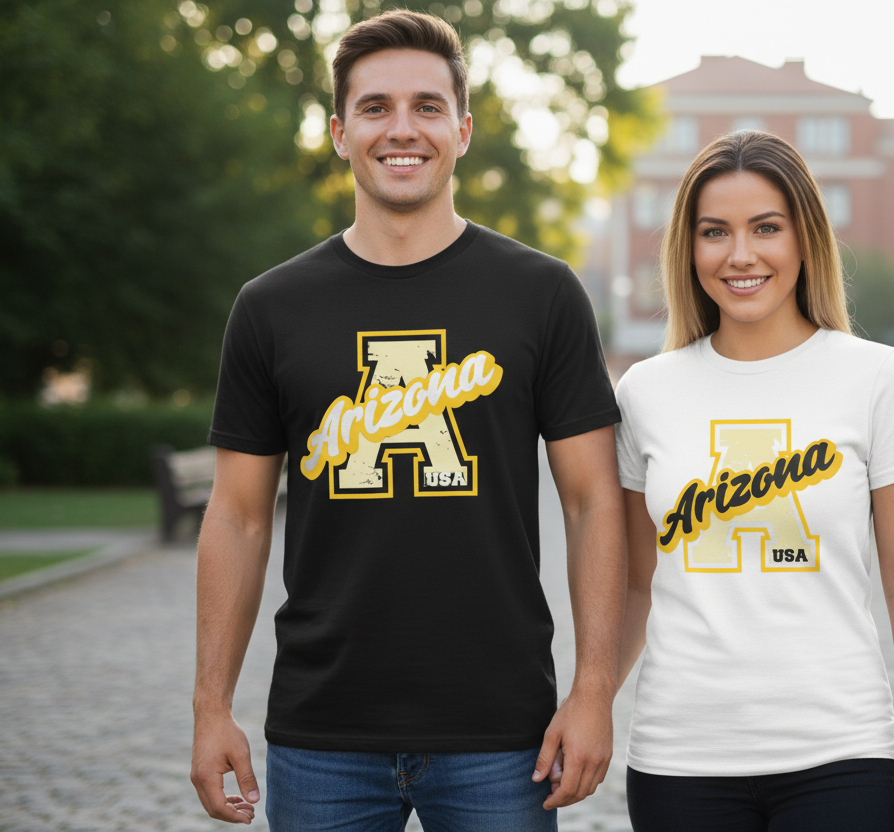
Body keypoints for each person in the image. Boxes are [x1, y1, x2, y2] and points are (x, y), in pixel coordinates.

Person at [189, 10, 626, 830]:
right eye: (375, 107)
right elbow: (239, 517)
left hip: (503, 733)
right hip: (322, 731)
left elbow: (592, 501)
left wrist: (593, 691)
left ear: (463, 131)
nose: (402, 129)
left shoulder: (542, 294)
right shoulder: (271, 307)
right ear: (338, 132)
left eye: (427, 106)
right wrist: (210, 706)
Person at [613, 130, 894, 832]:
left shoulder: (877, 377)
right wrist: (589, 701)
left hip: (842, 754)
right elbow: (635, 585)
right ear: (689, 249)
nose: (741, 254)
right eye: (715, 232)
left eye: (766, 228)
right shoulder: (646, 391)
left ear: (805, 240)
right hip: (680, 760)